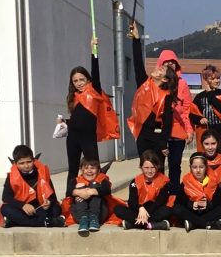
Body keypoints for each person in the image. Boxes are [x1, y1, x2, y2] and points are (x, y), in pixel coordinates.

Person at [64, 34, 119, 194]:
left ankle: (99, 196)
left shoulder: (94, 91)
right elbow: (77, 119)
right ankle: (69, 198)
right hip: (72, 137)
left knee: (95, 169)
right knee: (73, 169)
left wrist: (93, 51)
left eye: (82, 79)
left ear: (88, 79)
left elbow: (96, 72)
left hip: (88, 137)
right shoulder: (73, 97)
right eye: (75, 81)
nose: (79, 83)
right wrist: (64, 123)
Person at [127, 23, 177, 162]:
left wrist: (163, 142)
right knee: (145, 166)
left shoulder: (166, 96)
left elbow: (167, 122)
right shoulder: (144, 84)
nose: (157, 69)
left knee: (158, 169)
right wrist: (136, 39)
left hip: (157, 136)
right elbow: (137, 63)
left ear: (165, 79)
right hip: (142, 134)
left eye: (161, 70)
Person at [154, 47, 194, 195]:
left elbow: (187, 109)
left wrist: (189, 130)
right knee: (157, 165)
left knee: (175, 165)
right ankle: (158, 194)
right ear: (160, 64)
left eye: (173, 61)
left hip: (178, 131)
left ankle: (174, 195)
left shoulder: (182, 84)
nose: (170, 64)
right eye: (166, 62)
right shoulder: (156, 83)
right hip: (159, 131)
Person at [0, 145, 65, 228]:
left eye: (29, 162)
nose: (26, 166)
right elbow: (6, 197)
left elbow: (53, 198)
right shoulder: (11, 176)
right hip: (21, 209)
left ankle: (16, 221)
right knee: (5, 209)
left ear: (33, 160)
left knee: (56, 209)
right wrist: (23, 205)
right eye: (22, 163)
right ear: (15, 163)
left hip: (39, 208)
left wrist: (48, 202)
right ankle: (49, 222)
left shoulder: (42, 173)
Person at [172, 152, 221, 231]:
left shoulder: (213, 181)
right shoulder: (185, 182)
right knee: (176, 209)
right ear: (190, 168)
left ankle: (194, 224)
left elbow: (219, 202)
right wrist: (192, 204)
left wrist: (208, 204)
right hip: (192, 212)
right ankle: (209, 224)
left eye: (201, 167)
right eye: (194, 167)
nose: (198, 170)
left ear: (206, 167)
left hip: (208, 212)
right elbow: (178, 202)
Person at [113, 150, 171, 230]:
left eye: (153, 167)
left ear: (158, 166)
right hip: (139, 211)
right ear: (141, 167)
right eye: (146, 168)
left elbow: (159, 203)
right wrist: (140, 208)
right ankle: (152, 225)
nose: (149, 171)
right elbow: (132, 202)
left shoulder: (164, 181)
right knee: (117, 209)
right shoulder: (135, 181)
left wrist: (145, 214)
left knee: (167, 210)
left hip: (154, 211)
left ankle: (134, 224)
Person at [67, 156, 112, 235]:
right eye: (86, 168)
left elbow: (107, 190)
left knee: (95, 186)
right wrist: (79, 192)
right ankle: (83, 219)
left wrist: (93, 191)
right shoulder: (75, 180)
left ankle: (93, 219)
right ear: (81, 169)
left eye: (93, 168)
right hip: (79, 214)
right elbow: (69, 191)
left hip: (99, 214)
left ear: (98, 170)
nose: (89, 171)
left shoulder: (102, 179)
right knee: (79, 186)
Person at [191, 64, 221, 147]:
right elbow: (191, 113)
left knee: (220, 152)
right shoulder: (199, 96)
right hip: (205, 130)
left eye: (218, 78)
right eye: (212, 79)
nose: (216, 81)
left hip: (220, 131)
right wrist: (199, 119)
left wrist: (209, 93)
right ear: (206, 80)